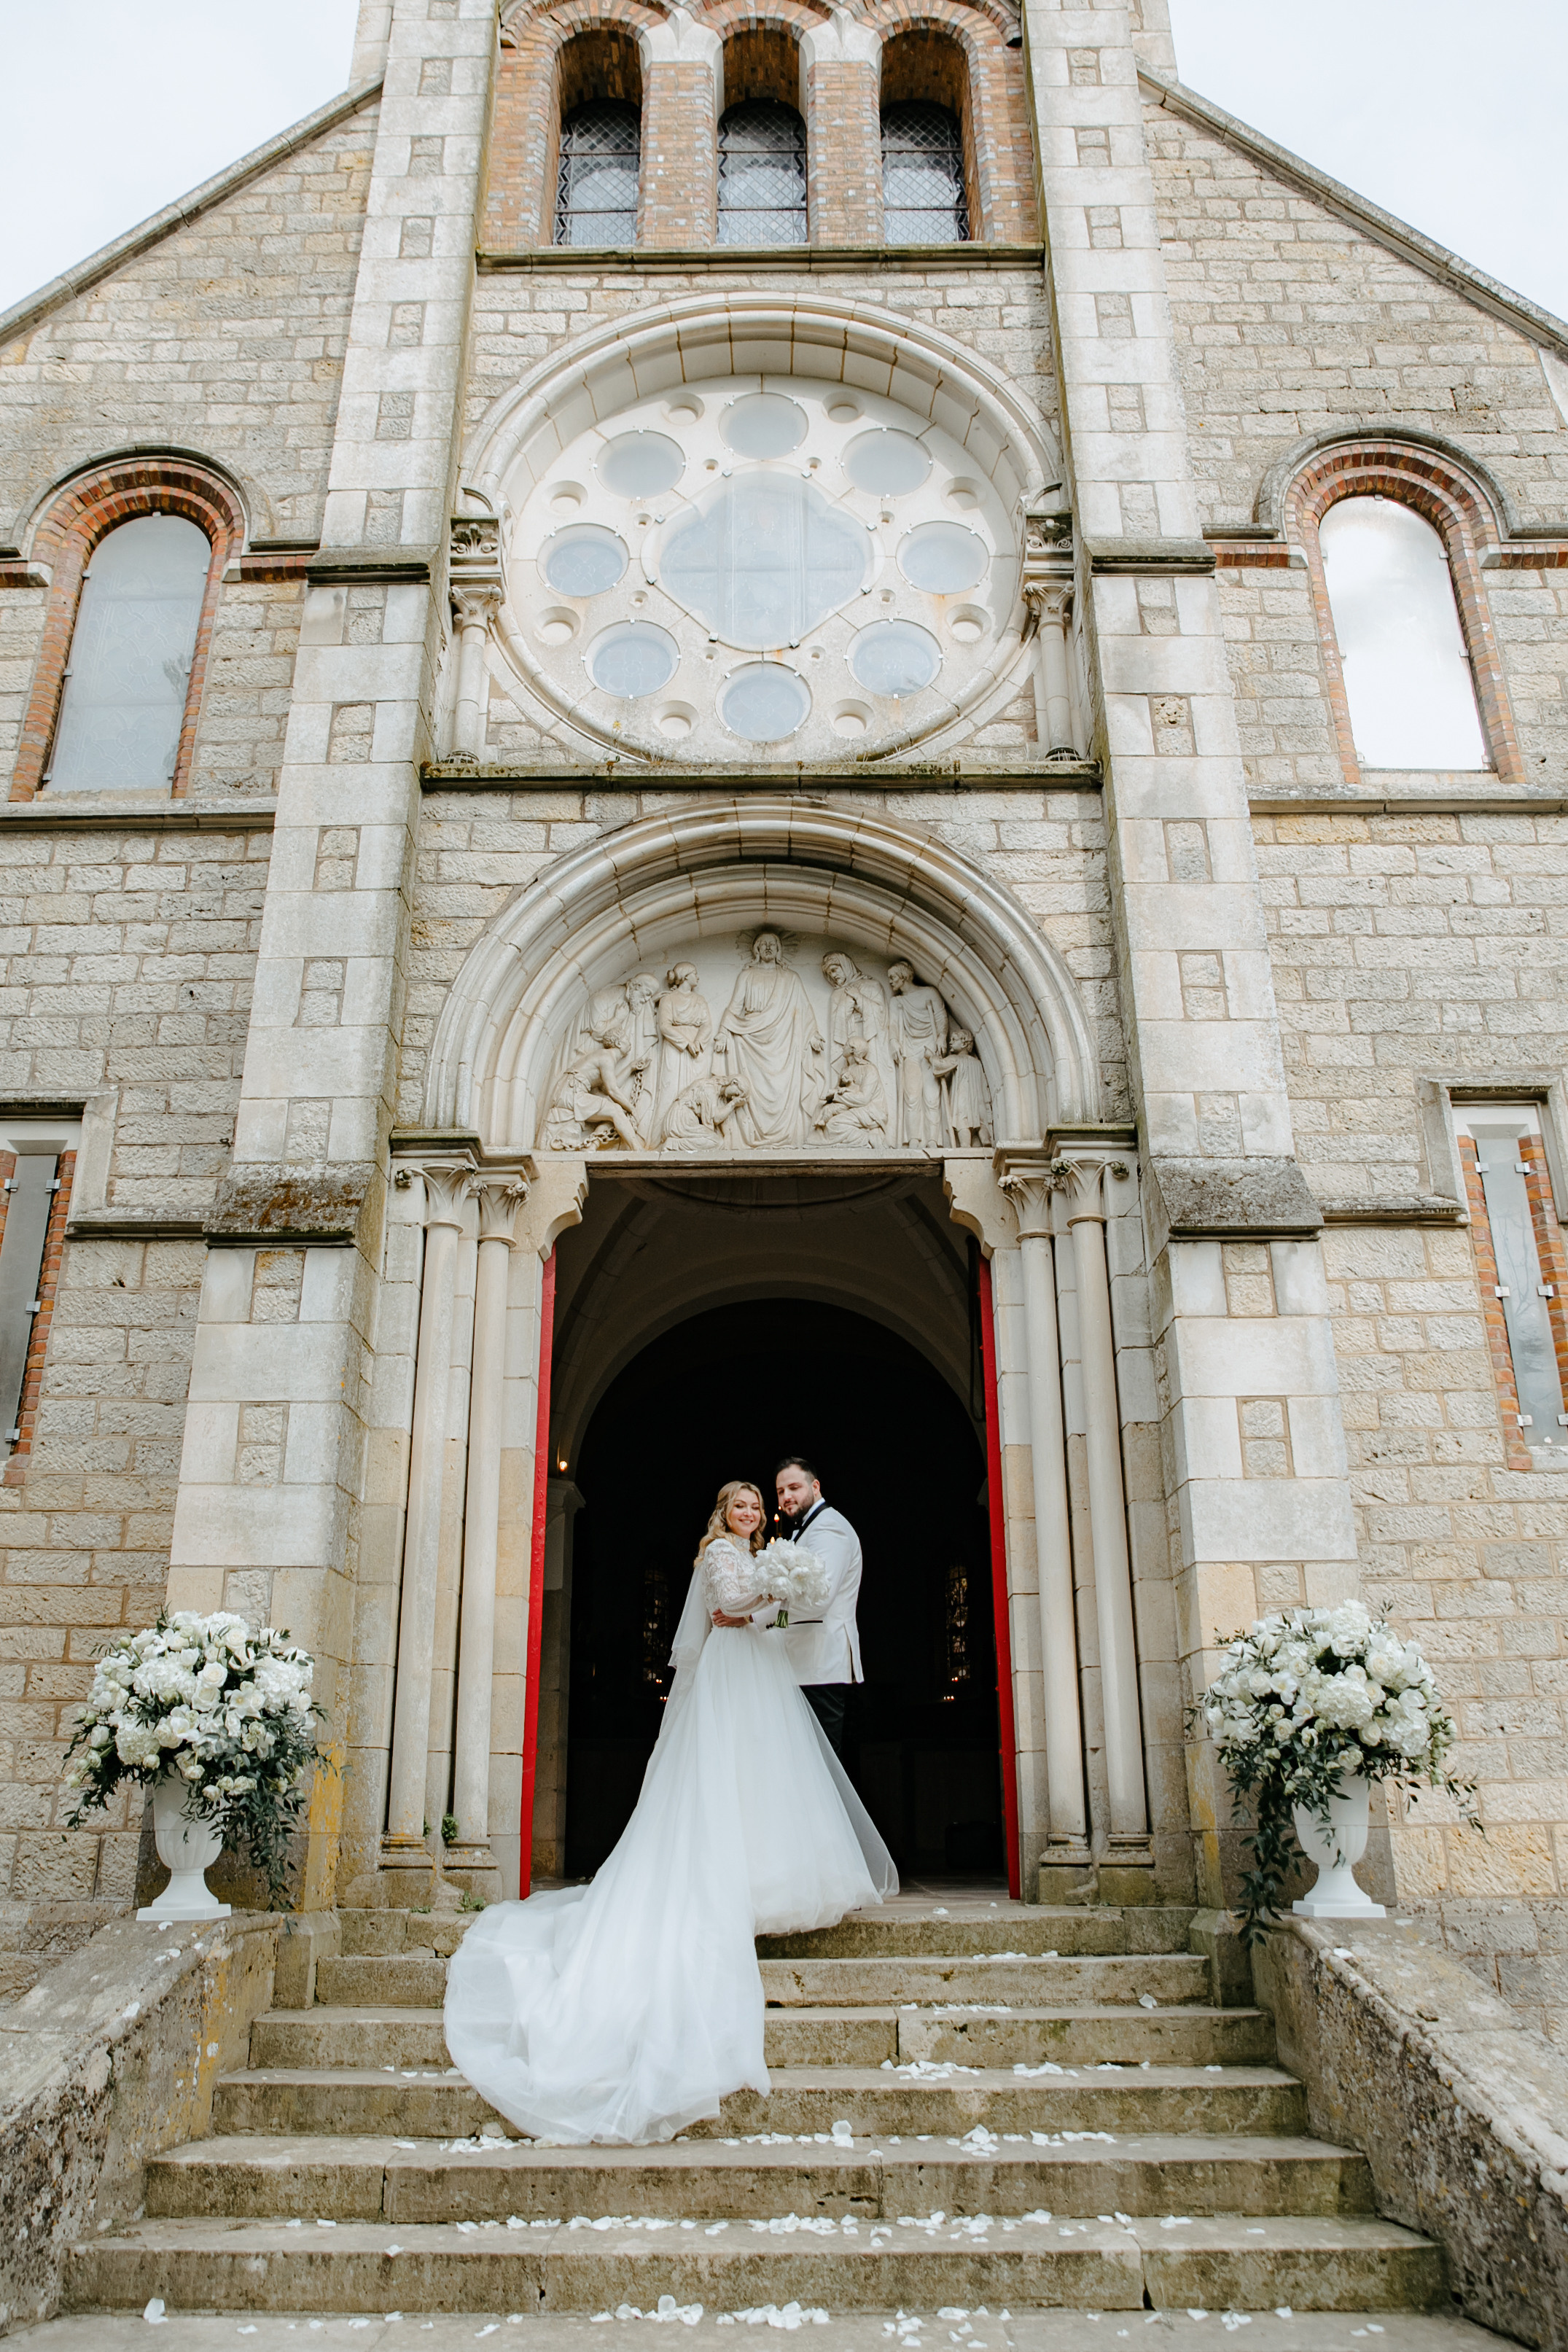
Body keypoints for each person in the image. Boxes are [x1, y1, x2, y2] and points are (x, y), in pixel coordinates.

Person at [444, 1479, 894, 2146]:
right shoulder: (718, 1554)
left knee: (769, 1775)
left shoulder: (765, 1549)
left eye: (755, 1506)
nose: (749, 1513)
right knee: (720, 1773)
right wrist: (773, 1591)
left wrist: (774, 1599)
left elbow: (755, 1618)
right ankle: (721, 1874)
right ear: (723, 1513)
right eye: (739, 1505)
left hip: (761, 1668)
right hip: (728, 1676)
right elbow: (729, 1606)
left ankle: (772, 1877)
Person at [771, 1456, 862, 1757]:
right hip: (805, 1665)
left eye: (794, 1488)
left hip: (819, 1666)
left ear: (815, 1486)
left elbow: (817, 1600)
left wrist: (760, 1619)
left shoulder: (829, 1529)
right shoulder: (806, 1529)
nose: (787, 1497)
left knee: (820, 1766)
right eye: (781, 1491)